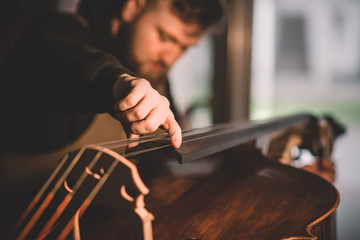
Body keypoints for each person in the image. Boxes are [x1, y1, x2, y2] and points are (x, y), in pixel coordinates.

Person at [0, 0, 225, 235]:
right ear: (133, 7)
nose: (170, 58)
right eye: (165, 36)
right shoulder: (59, 31)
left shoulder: (153, 69)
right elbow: (45, 56)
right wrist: (116, 82)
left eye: (184, 47)